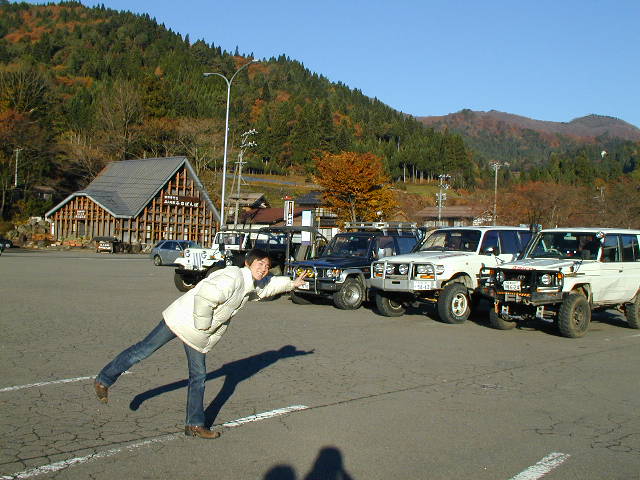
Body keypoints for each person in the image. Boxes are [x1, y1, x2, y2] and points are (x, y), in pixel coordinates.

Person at [94, 248, 307, 439]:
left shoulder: (249, 284)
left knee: (198, 376)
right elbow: (205, 298)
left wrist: (291, 283)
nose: (264, 269)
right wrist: (204, 326)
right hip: (181, 319)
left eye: (267, 266)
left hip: (196, 333)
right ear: (248, 263)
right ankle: (104, 380)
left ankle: (194, 425)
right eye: (260, 264)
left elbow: (266, 287)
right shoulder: (232, 278)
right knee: (142, 350)